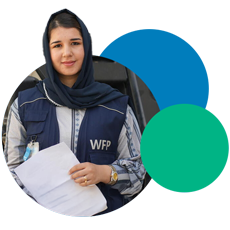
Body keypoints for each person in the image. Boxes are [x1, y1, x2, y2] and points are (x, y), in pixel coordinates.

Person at [4, 8, 146, 215]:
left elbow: (139, 174)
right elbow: (12, 171)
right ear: (46, 50)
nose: (67, 53)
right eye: (57, 45)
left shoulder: (117, 106)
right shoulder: (24, 105)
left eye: (75, 43)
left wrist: (105, 173)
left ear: (87, 47)